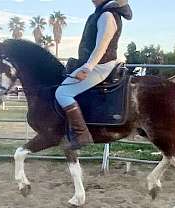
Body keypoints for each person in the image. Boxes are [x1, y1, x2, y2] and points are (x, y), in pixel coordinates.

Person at [55, 0, 133, 150]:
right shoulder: (102, 13)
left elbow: (102, 45)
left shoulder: (107, 15)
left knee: (62, 93)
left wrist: (87, 68)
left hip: (100, 65)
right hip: (97, 63)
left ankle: (82, 134)